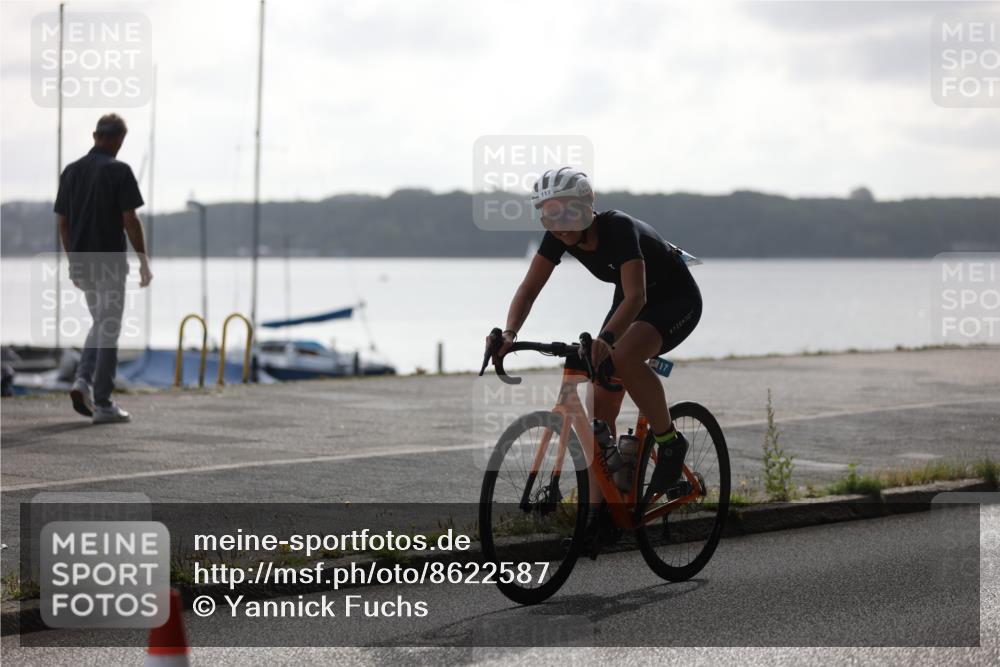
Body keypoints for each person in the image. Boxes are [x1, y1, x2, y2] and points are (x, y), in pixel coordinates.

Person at [493, 166, 702, 503]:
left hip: (674, 299)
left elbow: (637, 297)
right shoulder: (559, 236)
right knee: (599, 406)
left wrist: (606, 339)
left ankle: (670, 443)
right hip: (632, 300)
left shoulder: (617, 227)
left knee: (622, 357)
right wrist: (509, 333)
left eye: (568, 212)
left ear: (587, 207)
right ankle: (606, 506)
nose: (559, 224)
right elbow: (529, 289)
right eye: (549, 216)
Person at [55, 113, 152, 424]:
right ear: (118, 140)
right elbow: (130, 220)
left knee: (101, 322)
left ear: (95, 134)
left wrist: (73, 264)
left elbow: (64, 225)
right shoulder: (119, 171)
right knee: (108, 327)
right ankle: (99, 397)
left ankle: (88, 387)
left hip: (83, 261)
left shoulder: (70, 172)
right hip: (109, 260)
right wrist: (144, 262)